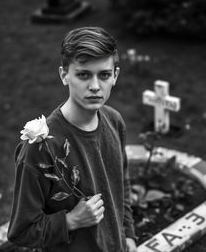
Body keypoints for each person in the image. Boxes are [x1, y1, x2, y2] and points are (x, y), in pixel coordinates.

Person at [7, 26, 137, 252]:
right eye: (84, 74)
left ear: (115, 76)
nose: (95, 86)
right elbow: (21, 232)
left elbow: (121, 184)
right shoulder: (41, 146)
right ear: (64, 75)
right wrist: (70, 221)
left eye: (104, 75)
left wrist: (129, 235)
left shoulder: (115, 121)